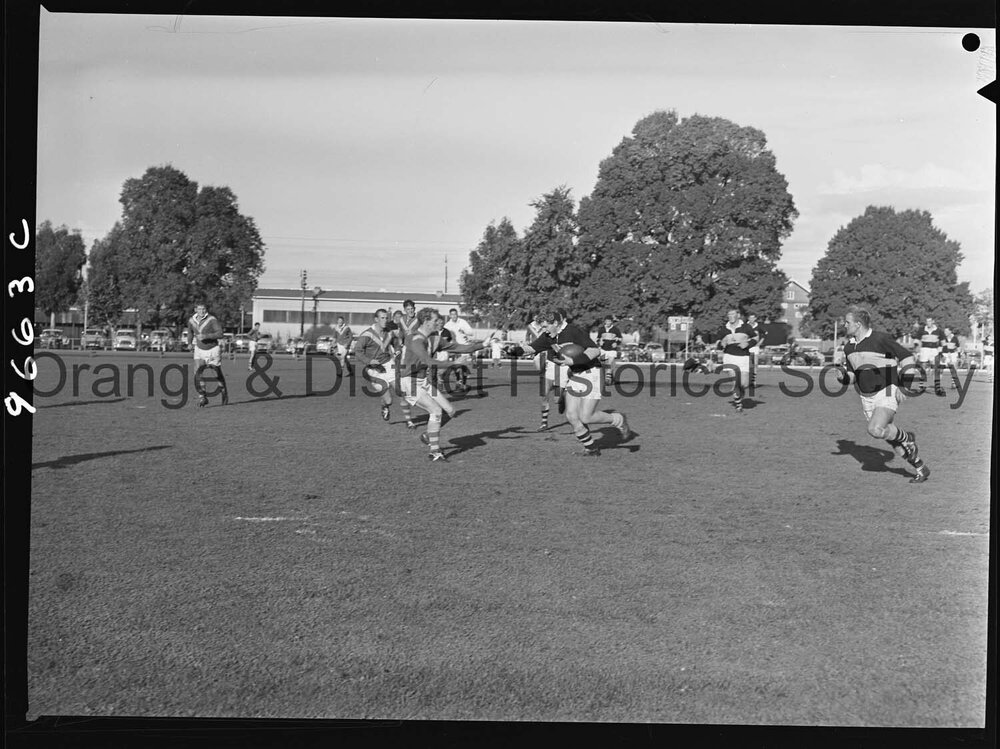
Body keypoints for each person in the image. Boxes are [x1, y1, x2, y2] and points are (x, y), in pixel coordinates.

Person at [507, 307, 632, 457]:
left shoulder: (574, 331)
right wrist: (513, 350)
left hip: (592, 373)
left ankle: (618, 420)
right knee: (571, 416)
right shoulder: (549, 336)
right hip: (575, 375)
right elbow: (532, 348)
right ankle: (591, 448)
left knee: (586, 417)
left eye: (546, 326)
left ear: (556, 323)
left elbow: (595, 350)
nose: (544, 331)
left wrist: (573, 360)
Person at [838, 306, 929, 483]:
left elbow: (907, 357)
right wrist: (843, 378)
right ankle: (920, 467)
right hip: (866, 397)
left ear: (858, 324)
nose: (844, 325)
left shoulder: (880, 339)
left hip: (887, 390)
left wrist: (904, 386)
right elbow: (852, 376)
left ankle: (907, 438)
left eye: (847, 322)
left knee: (875, 429)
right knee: (889, 437)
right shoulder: (849, 347)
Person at [399, 307, 492, 461]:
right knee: (435, 411)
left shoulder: (434, 338)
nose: (439, 321)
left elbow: (457, 347)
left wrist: (482, 345)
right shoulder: (415, 339)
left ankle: (428, 435)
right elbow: (428, 361)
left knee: (450, 410)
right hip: (409, 382)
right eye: (436, 320)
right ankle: (434, 452)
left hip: (423, 382)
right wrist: (454, 363)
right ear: (426, 321)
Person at [354, 309, 397, 422]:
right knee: (389, 401)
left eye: (386, 318)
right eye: (382, 318)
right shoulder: (367, 334)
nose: (385, 320)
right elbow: (357, 351)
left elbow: (397, 342)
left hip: (388, 363)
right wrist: (368, 361)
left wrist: (397, 350)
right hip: (374, 369)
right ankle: (385, 406)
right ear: (376, 319)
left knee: (401, 390)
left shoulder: (388, 331)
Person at [186, 302, 229, 407]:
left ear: (206, 309)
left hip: (213, 349)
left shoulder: (212, 320)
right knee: (197, 372)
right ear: (196, 309)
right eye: (199, 309)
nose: (202, 311)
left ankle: (223, 391)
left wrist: (206, 336)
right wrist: (189, 343)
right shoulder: (191, 320)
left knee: (216, 373)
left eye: (203, 309)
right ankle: (202, 396)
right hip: (199, 349)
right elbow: (190, 332)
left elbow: (220, 333)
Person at [715, 309, 757, 413]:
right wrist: (722, 344)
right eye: (729, 314)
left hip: (743, 357)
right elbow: (718, 343)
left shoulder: (746, 327)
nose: (730, 316)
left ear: (738, 315)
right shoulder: (724, 329)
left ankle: (739, 395)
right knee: (736, 382)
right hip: (729, 357)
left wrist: (748, 344)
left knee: (744, 384)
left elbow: (755, 338)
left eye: (733, 314)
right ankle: (738, 404)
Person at [916, 316, 946, 397]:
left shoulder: (939, 330)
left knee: (936, 368)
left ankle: (937, 387)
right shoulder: (922, 330)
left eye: (929, 321)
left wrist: (941, 353)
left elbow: (943, 342)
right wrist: (917, 350)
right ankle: (921, 386)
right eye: (927, 321)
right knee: (923, 368)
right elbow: (917, 340)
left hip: (934, 350)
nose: (928, 323)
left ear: (933, 321)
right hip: (924, 349)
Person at [597, 316, 623, 386]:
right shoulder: (601, 329)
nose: (608, 322)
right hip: (603, 350)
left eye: (609, 321)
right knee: (602, 364)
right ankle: (608, 377)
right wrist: (599, 342)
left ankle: (607, 379)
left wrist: (616, 343)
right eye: (607, 321)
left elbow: (620, 339)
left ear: (612, 322)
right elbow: (598, 338)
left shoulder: (615, 330)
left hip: (612, 350)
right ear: (605, 321)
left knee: (609, 363)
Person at [745, 313, 763, 387]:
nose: (751, 319)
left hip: (755, 347)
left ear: (755, 318)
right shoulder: (744, 326)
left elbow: (764, 335)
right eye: (750, 318)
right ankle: (746, 381)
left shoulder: (758, 326)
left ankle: (753, 381)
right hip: (747, 347)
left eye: (753, 318)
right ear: (748, 318)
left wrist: (759, 343)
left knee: (754, 364)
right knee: (747, 365)